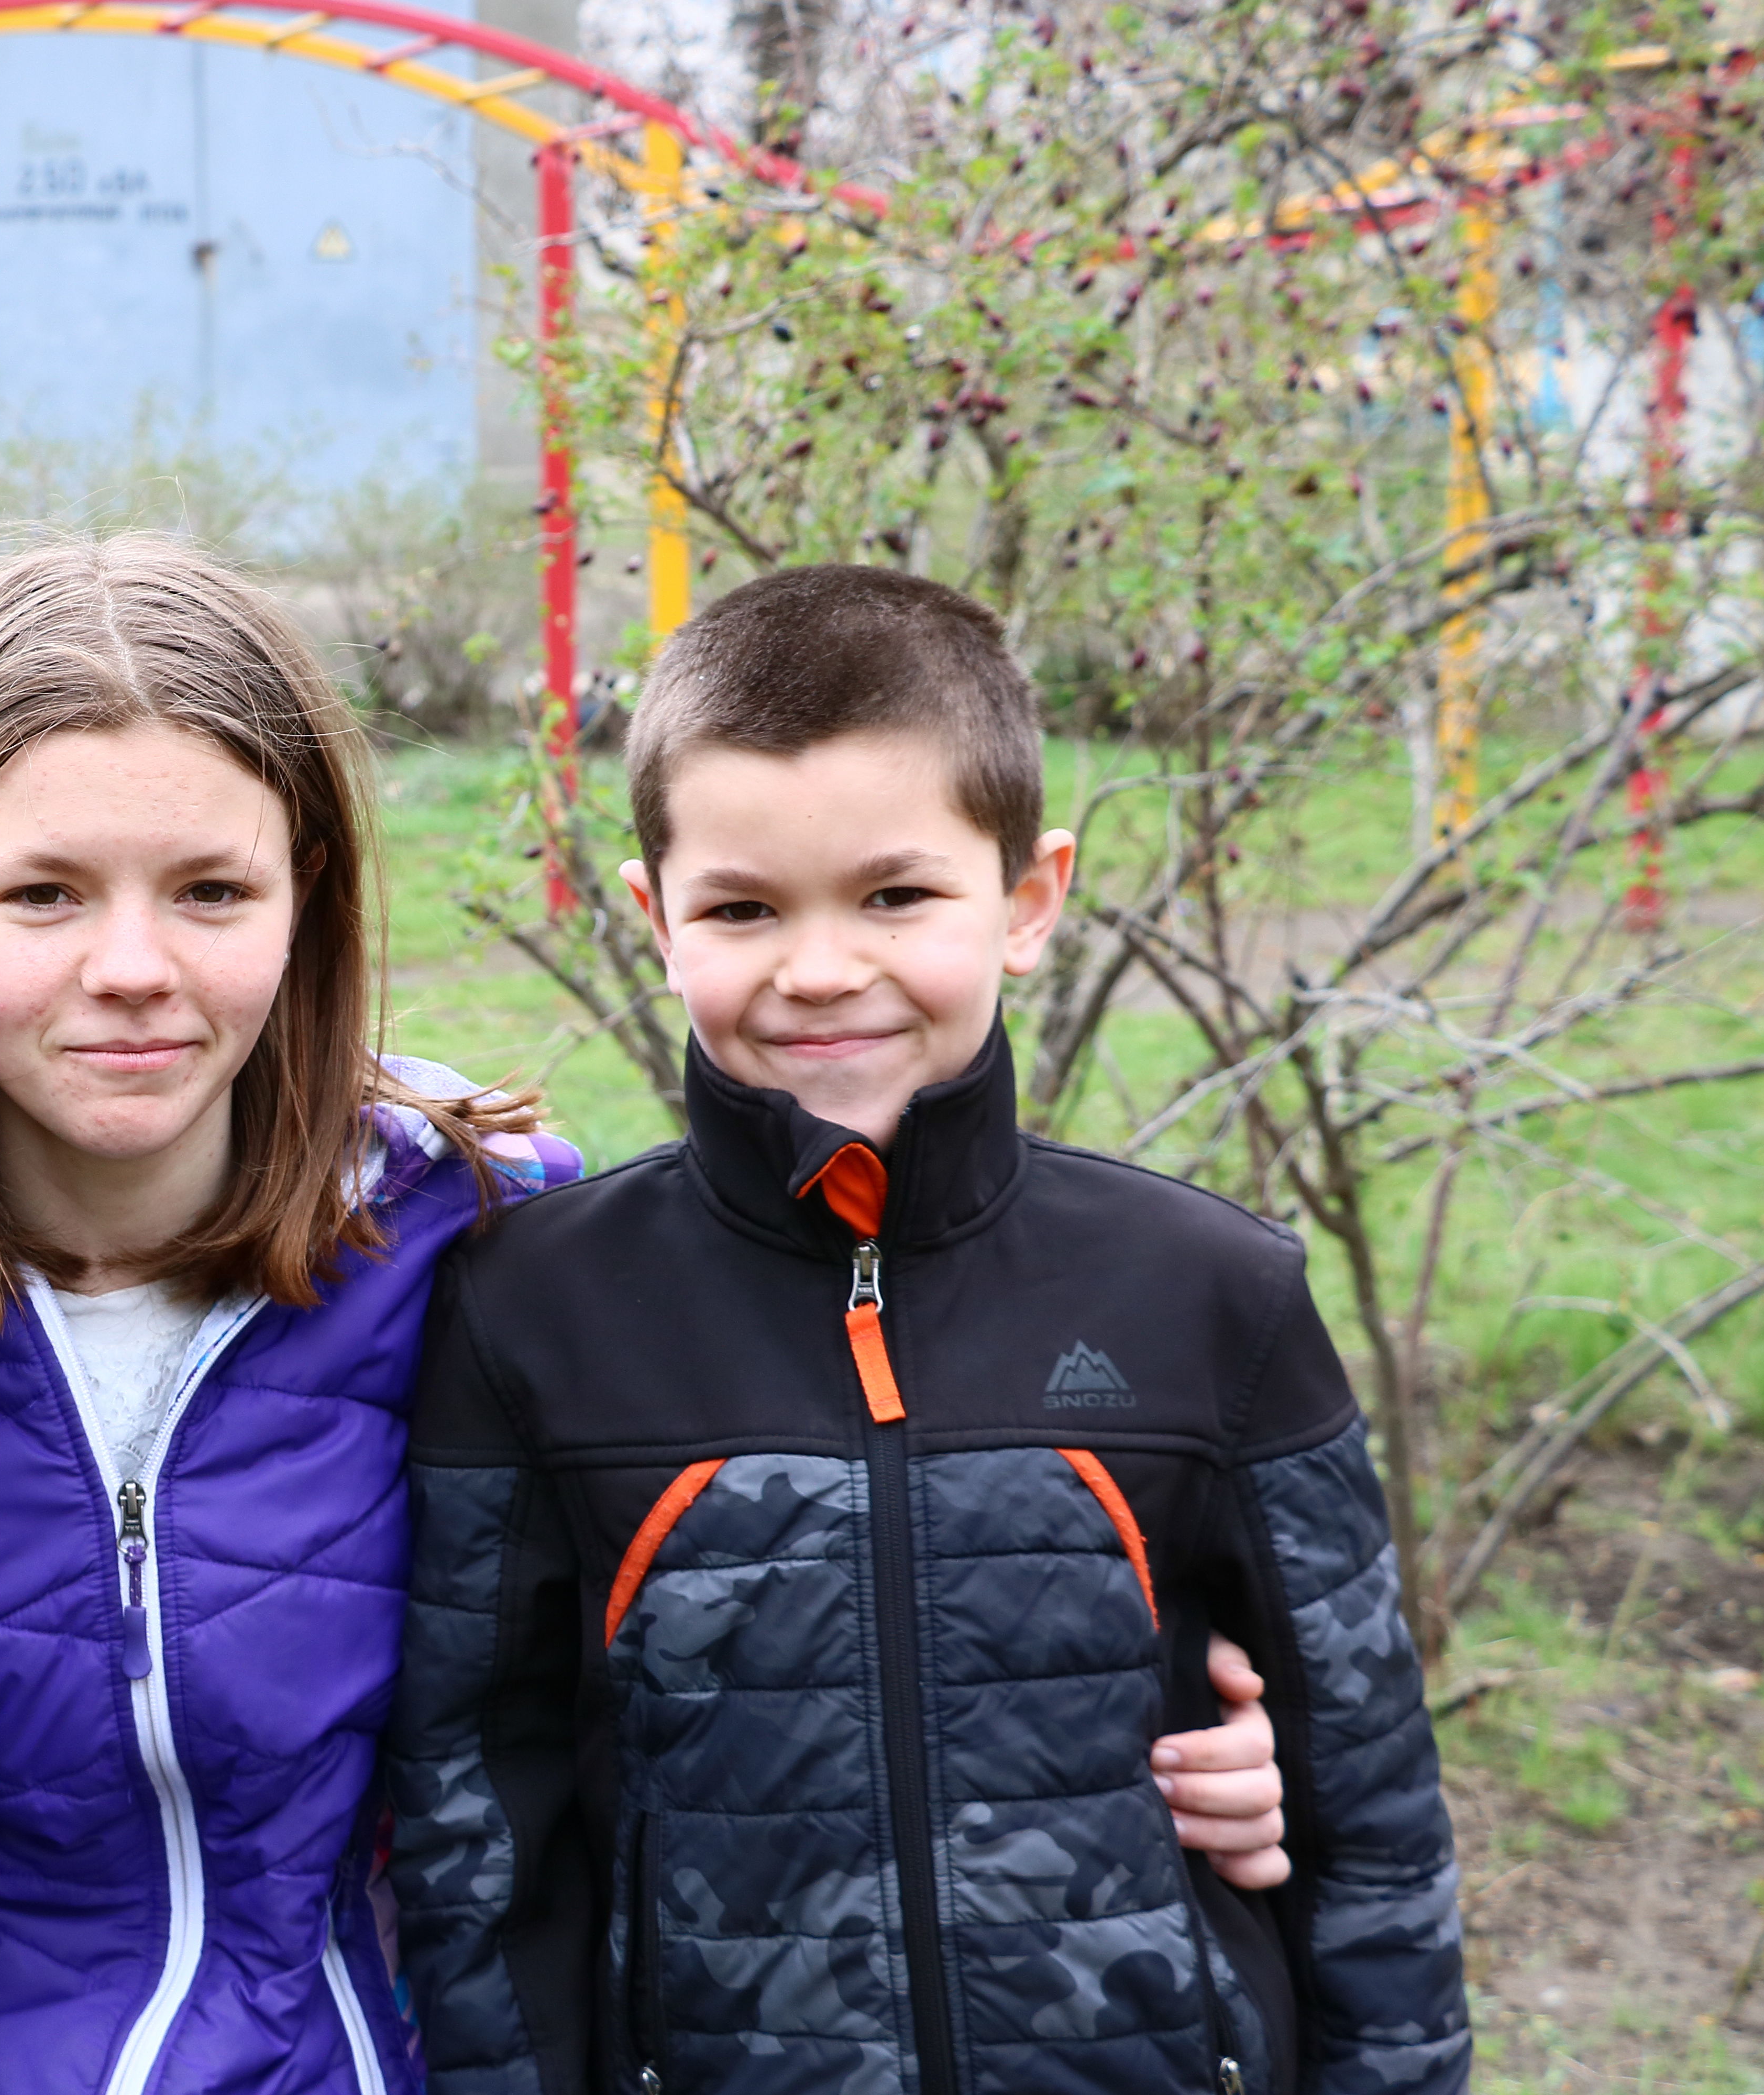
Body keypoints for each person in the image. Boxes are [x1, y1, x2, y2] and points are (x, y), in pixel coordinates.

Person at [0, 537, 1297, 2095]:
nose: (132, 965)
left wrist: (1128, 1721)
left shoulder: (497, 1252)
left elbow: (813, 1575)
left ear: (309, 900)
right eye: (44, 894)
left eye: (210, 891)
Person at [380, 565, 1471, 2095]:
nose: (823, 968)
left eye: (896, 895)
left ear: (1029, 899)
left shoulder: (1214, 1292)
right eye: (744, 908)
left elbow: (1369, 1809)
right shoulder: (529, 1310)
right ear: (655, 918)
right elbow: (480, 1823)